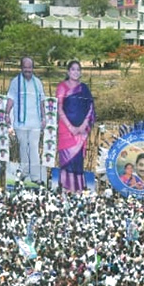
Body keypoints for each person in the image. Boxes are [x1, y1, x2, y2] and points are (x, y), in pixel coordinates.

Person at [56, 60, 95, 191]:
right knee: (67, 160)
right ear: (68, 72)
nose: (76, 72)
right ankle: (65, 188)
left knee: (78, 160)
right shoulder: (62, 87)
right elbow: (59, 108)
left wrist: (83, 125)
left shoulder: (84, 88)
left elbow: (90, 108)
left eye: (78, 69)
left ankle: (77, 188)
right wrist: (71, 127)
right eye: (73, 69)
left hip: (81, 132)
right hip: (66, 131)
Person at [6, 56, 46, 182]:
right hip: (20, 123)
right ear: (21, 67)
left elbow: (42, 101)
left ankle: (35, 176)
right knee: (23, 147)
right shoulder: (15, 82)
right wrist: (7, 114)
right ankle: (24, 172)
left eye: (30, 67)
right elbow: (10, 99)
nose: (28, 70)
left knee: (34, 148)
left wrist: (44, 117)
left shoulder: (38, 82)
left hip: (35, 122)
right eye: (25, 67)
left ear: (33, 68)